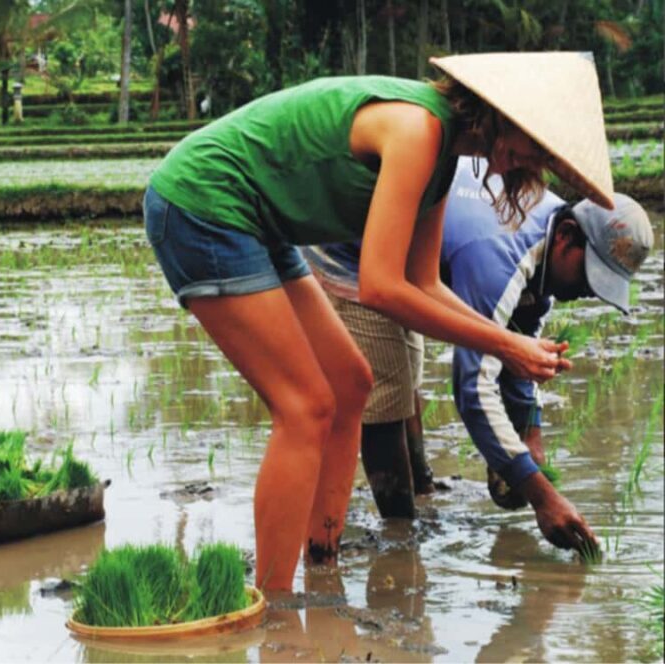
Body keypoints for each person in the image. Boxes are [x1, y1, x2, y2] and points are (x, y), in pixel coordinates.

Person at [143, 52, 613, 591]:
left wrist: (506, 341)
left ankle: (323, 564)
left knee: (351, 383)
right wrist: (506, 348)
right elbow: (381, 287)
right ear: (500, 115)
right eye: (531, 146)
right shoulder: (420, 129)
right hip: (206, 202)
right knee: (304, 406)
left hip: (261, 222)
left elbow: (425, 282)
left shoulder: (443, 159)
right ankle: (272, 607)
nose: (527, 164)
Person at [304, 157, 653, 551]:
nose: (591, 290)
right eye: (590, 274)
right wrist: (542, 497)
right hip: (351, 248)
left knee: (407, 373)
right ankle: (400, 538)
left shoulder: (545, 248)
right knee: (386, 390)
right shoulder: (500, 256)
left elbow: (518, 341)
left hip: (409, 256)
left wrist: (530, 432)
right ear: (567, 236)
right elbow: (472, 389)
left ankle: (421, 492)